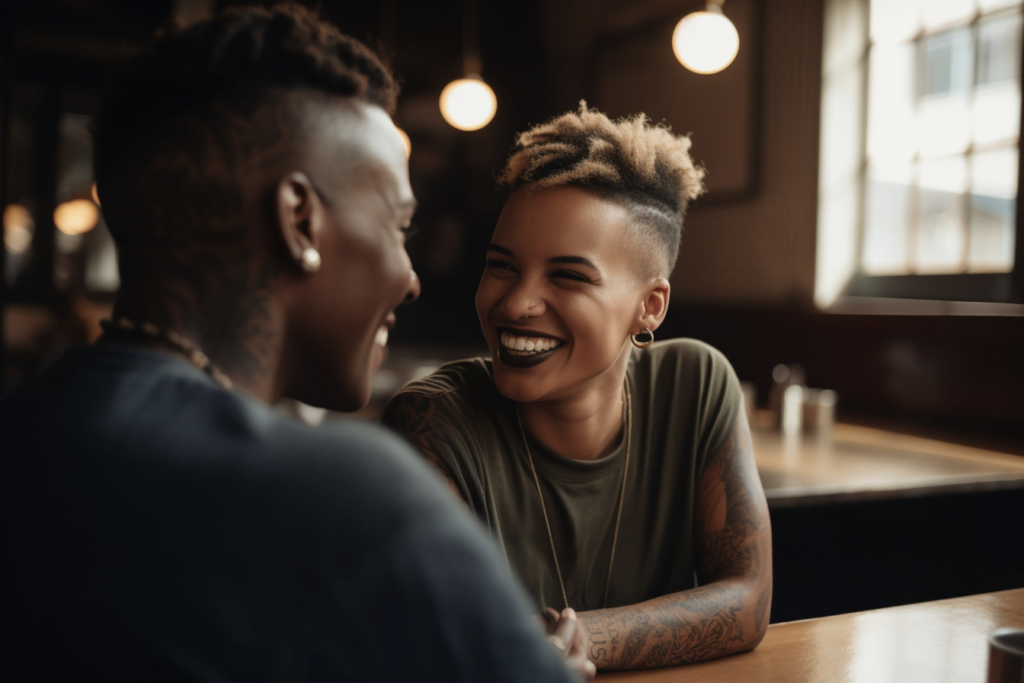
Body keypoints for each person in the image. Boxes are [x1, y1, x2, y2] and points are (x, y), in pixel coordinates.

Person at [0, 6, 593, 681]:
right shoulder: (350, 499)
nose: (412, 279)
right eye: (401, 226)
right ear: (300, 221)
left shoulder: (21, 433)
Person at [383, 103, 773, 671]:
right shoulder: (431, 421)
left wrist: (579, 640)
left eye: (568, 275)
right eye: (501, 266)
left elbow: (748, 599)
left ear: (650, 306)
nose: (515, 303)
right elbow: (449, 645)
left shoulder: (698, 382)